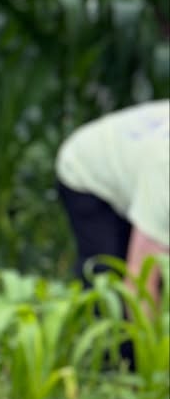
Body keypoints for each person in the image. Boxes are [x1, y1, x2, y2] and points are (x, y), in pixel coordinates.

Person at [54, 100, 169, 303]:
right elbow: (139, 281)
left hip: (139, 162)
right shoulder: (164, 176)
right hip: (88, 172)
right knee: (109, 285)